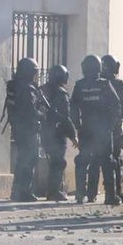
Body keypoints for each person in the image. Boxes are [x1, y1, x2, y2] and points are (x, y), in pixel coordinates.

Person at [71, 55, 122, 205]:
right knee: (108, 162)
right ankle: (110, 197)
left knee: (82, 160)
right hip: (103, 131)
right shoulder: (104, 84)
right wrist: (111, 127)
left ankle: (80, 194)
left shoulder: (79, 85)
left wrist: (78, 126)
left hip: (86, 129)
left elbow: (73, 108)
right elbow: (116, 106)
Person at [4, 58, 47, 201]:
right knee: (29, 160)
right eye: (34, 71)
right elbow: (30, 111)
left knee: (23, 159)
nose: (36, 75)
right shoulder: (27, 89)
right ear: (29, 72)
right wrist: (42, 113)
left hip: (19, 129)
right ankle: (24, 192)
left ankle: (17, 192)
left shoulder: (15, 86)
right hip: (28, 130)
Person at [101, 55, 123, 204]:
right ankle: (116, 192)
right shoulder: (119, 85)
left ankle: (89, 192)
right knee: (114, 161)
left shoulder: (97, 84)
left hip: (96, 128)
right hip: (114, 128)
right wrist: (122, 118)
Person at [40, 65, 78, 202]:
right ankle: (54, 192)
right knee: (58, 163)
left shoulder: (42, 90)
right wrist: (73, 136)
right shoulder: (61, 93)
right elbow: (65, 117)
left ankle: (52, 190)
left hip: (43, 132)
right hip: (57, 134)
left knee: (52, 163)